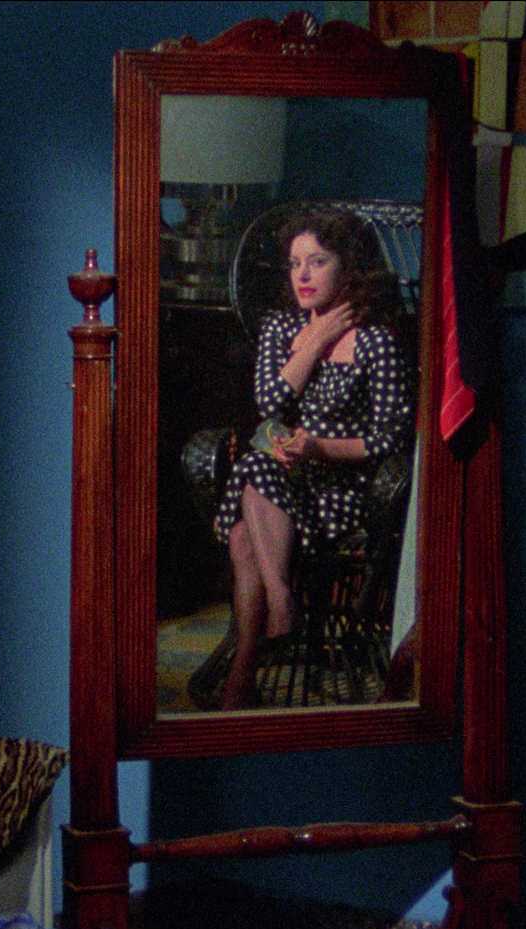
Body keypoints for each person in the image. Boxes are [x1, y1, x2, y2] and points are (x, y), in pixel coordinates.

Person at [212, 208, 416, 710]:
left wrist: (319, 447)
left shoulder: (376, 340)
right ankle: (280, 602)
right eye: (294, 263)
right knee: (257, 470)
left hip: (344, 492)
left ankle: (242, 673)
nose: (302, 275)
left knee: (243, 534)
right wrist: (317, 340)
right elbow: (270, 404)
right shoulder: (281, 328)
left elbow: (389, 439)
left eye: (317, 261)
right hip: (283, 481)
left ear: (349, 267)